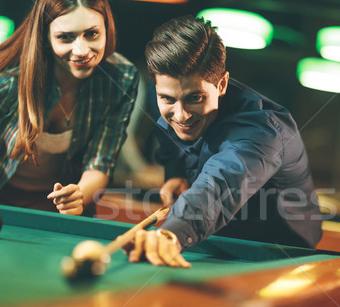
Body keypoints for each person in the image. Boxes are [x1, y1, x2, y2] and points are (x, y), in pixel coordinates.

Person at [125, 15, 322, 268]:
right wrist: (176, 173)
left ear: (222, 84)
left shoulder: (262, 131)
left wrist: (169, 234)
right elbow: (171, 138)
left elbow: (217, 190)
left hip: (280, 256)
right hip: (212, 240)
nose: (181, 114)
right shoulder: (165, 94)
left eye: (195, 98)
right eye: (168, 99)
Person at [0, 0, 138, 215]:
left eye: (91, 34)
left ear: (107, 29)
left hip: (58, 211)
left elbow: (101, 162)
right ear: (45, 37)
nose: (81, 50)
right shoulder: (4, 79)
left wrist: (79, 194)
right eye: (65, 37)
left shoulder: (122, 79)